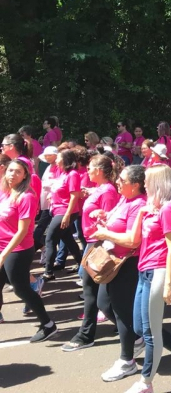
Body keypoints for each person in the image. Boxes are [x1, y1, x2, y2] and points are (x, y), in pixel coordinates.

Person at [125, 164, 171, 393]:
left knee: (151, 333)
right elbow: (134, 240)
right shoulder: (151, 209)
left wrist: (168, 284)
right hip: (144, 271)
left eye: (147, 181)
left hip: (158, 272)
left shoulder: (168, 209)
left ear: (157, 183)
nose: (144, 184)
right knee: (140, 326)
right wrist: (141, 213)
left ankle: (145, 383)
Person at [92, 164, 147, 382]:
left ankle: (127, 361)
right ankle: (136, 339)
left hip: (127, 264)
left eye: (122, 180)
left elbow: (133, 240)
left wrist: (106, 233)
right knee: (103, 304)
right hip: (113, 261)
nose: (118, 182)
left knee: (122, 312)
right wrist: (104, 216)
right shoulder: (125, 199)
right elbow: (118, 223)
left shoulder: (139, 204)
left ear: (136, 185)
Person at [62, 155, 122, 351]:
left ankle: (88, 334)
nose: (87, 171)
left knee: (95, 292)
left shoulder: (108, 191)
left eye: (90, 168)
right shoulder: (102, 189)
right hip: (92, 242)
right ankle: (122, 328)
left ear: (99, 171)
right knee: (93, 291)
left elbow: (110, 222)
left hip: (98, 244)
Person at [0, 159, 58, 341]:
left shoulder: (26, 196)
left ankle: (48, 325)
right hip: (3, 246)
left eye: (18, 171)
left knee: (21, 289)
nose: (12, 174)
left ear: (25, 175)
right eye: (10, 170)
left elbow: (22, 231)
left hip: (18, 250)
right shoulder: (5, 192)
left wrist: (3, 255)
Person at [42, 149, 83, 279]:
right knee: (68, 240)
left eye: (59, 157)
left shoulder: (73, 174)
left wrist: (67, 215)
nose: (56, 160)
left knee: (50, 239)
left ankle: (48, 272)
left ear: (65, 159)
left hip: (65, 212)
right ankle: (82, 265)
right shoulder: (63, 173)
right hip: (57, 211)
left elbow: (74, 196)